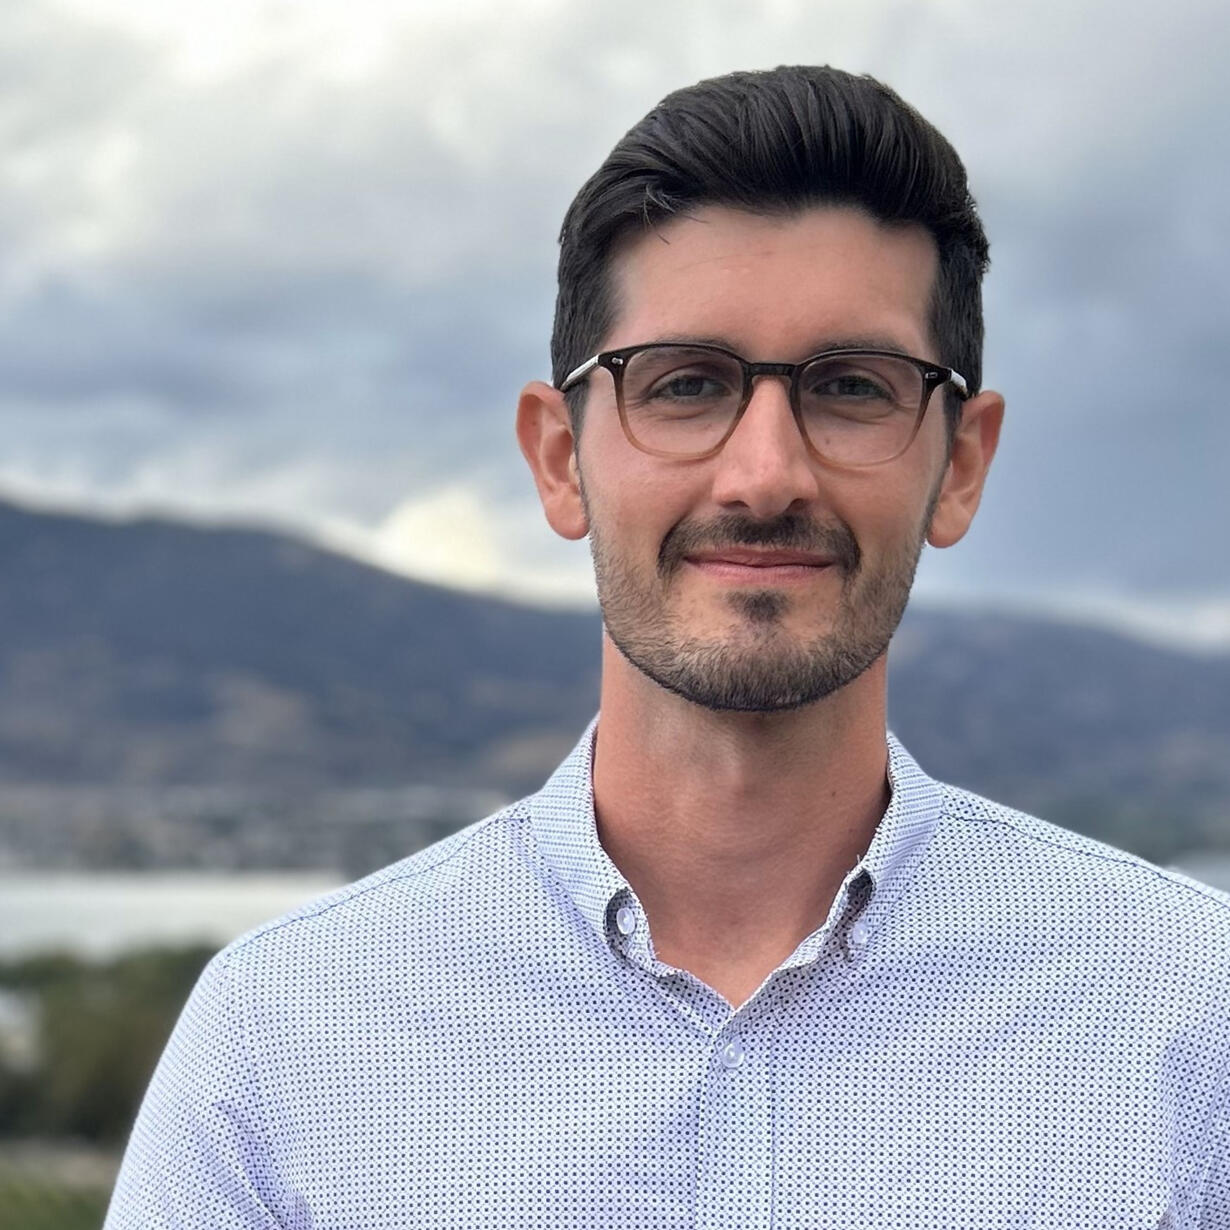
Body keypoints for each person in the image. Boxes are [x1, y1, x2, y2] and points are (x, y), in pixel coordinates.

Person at [106, 65, 1228, 1228]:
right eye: (686, 384)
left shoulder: (1192, 1025)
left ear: (962, 466)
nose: (765, 475)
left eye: (853, 387)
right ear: (560, 459)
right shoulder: (284, 1042)